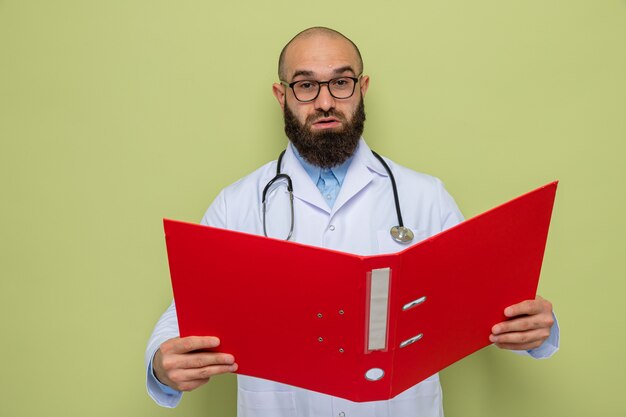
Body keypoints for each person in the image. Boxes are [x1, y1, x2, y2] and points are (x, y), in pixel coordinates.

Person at [145, 26, 559, 416]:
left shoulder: (424, 196)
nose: (325, 102)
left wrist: (537, 328)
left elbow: (486, 299)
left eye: (340, 83)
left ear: (362, 88)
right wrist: (162, 367)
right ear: (281, 95)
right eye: (306, 85)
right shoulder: (236, 204)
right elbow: (184, 314)